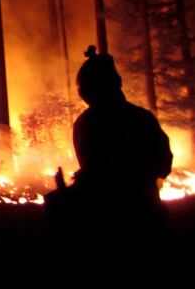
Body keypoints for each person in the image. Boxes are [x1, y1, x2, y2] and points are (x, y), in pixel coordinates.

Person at [48, 45, 173, 247]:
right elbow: (163, 166)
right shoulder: (142, 118)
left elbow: (94, 172)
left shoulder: (85, 123)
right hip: (145, 214)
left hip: (104, 219)